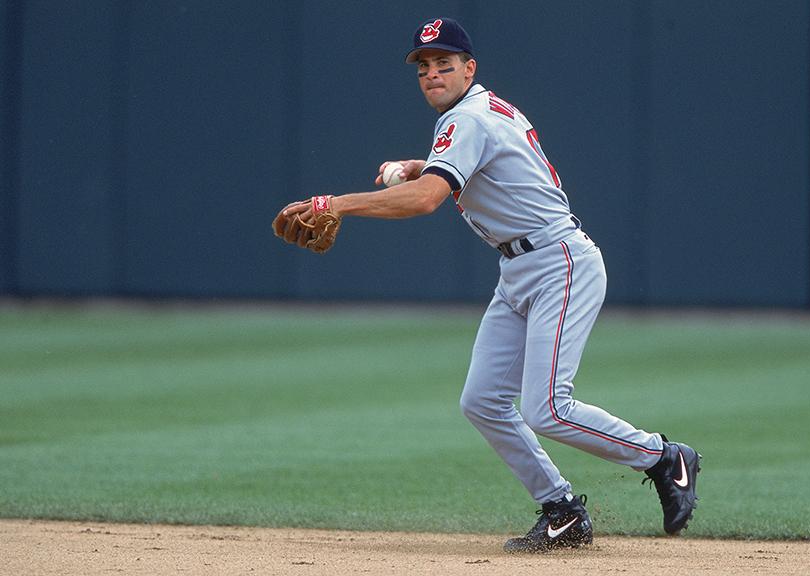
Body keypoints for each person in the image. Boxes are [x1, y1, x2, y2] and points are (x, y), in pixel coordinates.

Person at [273, 17, 701, 553]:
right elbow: (479, 170)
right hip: (520, 268)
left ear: (469, 68)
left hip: (558, 262)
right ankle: (562, 509)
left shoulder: (469, 118)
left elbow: (428, 198)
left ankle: (664, 457)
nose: (432, 74)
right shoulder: (477, 112)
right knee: (482, 401)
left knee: (548, 408)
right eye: (424, 67)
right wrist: (420, 163)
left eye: (444, 64)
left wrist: (335, 203)